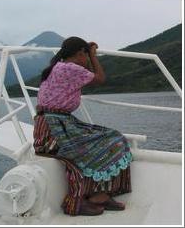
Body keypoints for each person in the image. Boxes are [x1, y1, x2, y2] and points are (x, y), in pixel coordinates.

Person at [33, 37, 132, 216]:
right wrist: (94, 56)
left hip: (51, 126)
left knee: (106, 137)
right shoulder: (70, 68)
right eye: (85, 55)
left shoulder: (59, 67)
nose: (86, 59)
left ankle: (99, 195)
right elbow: (100, 78)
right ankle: (78, 201)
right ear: (80, 53)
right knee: (114, 140)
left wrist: (89, 52)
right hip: (53, 131)